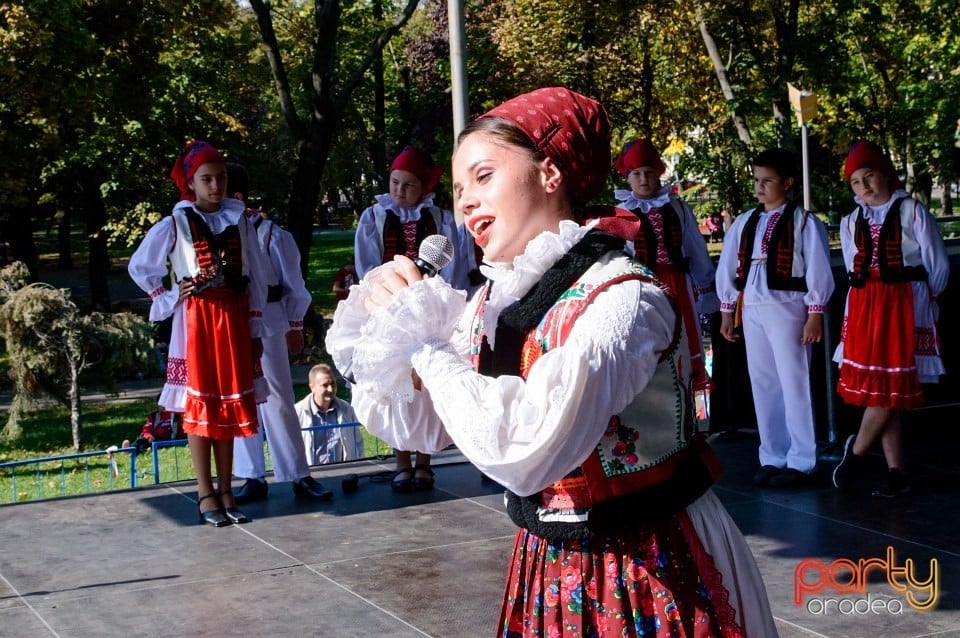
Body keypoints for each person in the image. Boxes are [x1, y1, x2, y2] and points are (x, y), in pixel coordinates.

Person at [327, 87, 778, 636]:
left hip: (651, 563)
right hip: (548, 560)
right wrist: (395, 339)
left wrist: (424, 345)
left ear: (550, 174)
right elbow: (423, 426)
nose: (465, 200)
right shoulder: (493, 306)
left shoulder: (623, 298)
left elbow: (526, 447)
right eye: (461, 187)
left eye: (484, 175)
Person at [128, 140, 267, 527]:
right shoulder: (177, 222)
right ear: (191, 182)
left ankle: (227, 489)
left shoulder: (240, 219)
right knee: (200, 408)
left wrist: (255, 326)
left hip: (233, 317)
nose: (216, 186)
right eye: (207, 179)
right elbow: (142, 267)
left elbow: (254, 275)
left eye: (221, 178)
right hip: (197, 320)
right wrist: (171, 294)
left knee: (227, 407)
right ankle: (206, 492)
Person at [831, 140, 950, 497]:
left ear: (885, 175)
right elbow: (855, 269)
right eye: (856, 182)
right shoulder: (851, 220)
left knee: (891, 387)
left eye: (869, 177)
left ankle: (854, 454)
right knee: (883, 388)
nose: (864, 187)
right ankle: (896, 471)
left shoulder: (912, 212)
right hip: (867, 307)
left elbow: (937, 266)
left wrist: (923, 304)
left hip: (904, 304)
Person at [715, 148, 835, 488]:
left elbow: (817, 268)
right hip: (752, 305)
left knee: (793, 380)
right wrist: (727, 310)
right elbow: (726, 267)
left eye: (768, 180)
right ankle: (773, 454)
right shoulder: (743, 222)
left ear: (788, 182)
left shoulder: (804, 223)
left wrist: (815, 313)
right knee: (763, 381)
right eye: (757, 180)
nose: (760, 187)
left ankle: (801, 459)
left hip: (788, 305)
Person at [225, 162, 335, 504]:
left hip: (270, 319)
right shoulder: (214, 232)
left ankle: (298, 473)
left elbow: (293, 284)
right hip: (229, 320)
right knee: (239, 397)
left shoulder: (270, 234)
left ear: (238, 196)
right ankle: (251, 475)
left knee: (276, 397)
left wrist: (294, 324)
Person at [353, 146, 461, 492]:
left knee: (424, 383)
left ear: (424, 188)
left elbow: (455, 265)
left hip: (429, 311)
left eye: (409, 185)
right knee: (395, 381)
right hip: (389, 309)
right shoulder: (374, 217)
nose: (399, 190)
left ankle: (425, 459)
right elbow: (365, 264)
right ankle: (401, 460)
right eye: (395, 182)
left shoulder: (441, 219)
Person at [590, 138, 719, 392]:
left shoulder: (677, 207)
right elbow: (618, 255)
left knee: (683, 336)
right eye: (636, 173)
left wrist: (705, 286)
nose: (643, 179)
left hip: (677, 282)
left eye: (649, 173)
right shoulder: (621, 212)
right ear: (627, 177)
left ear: (658, 174)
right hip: (641, 285)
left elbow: (694, 246)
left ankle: (688, 406)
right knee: (648, 341)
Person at [296, 364, 362, 465]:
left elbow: (358, 443)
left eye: (333, 384)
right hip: (313, 474)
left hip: (343, 472)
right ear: (312, 387)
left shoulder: (347, 409)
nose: (331, 389)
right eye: (325, 385)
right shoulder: (297, 412)